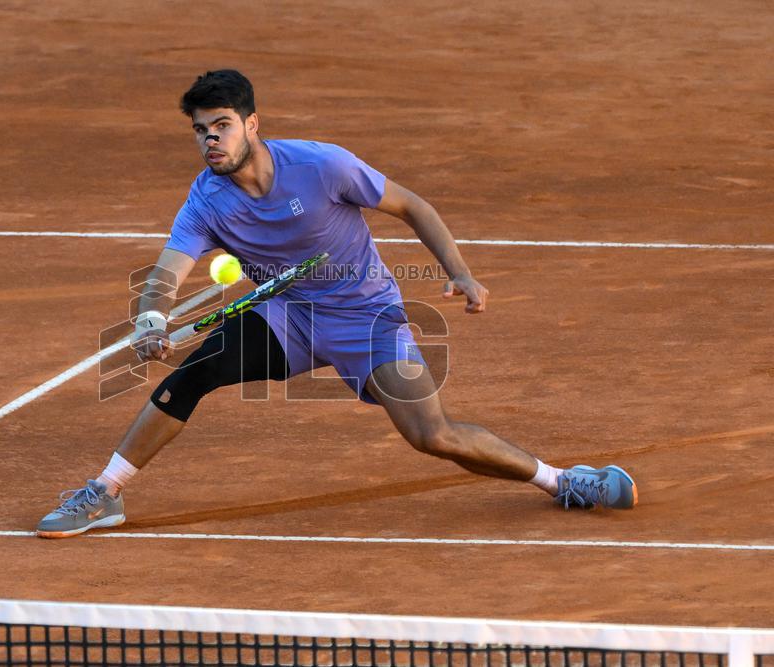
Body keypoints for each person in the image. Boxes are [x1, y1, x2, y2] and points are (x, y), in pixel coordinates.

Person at [36, 69, 636, 538]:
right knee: (199, 370)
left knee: (432, 436)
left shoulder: (323, 166)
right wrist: (150, 315)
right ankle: (105, 493)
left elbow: (412, 206)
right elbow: (168, 270)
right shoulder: (207, 200)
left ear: (252, 124)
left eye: (220, 125)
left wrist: (461, 274)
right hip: (288, 314)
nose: (209, 139)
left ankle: (562, 480)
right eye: (198, 129)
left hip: (365, 316)